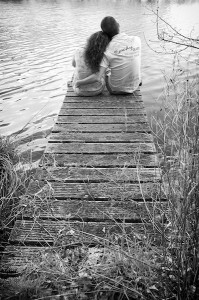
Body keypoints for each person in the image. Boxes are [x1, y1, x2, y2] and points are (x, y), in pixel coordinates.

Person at [75, 16, 142, 94]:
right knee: (131, 59)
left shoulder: (107, 49)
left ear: (104, 33)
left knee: (107, 70)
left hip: (115, 89)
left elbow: (97, 77)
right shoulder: (137, 40)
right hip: (134, 86)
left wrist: (78, 83)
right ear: (118, 25)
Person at [72, 31, 110, 96]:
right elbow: (96, 77)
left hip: (78, 90)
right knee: (106, 69)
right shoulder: (103, 55)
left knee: (78, 68)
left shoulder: (78, 50)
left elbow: (73, 65)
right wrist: (79, 83)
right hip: (97, 89)